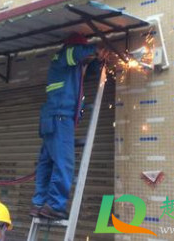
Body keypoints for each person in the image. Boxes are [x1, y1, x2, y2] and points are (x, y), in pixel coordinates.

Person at [31, 33, 109, 219]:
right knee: (64, 163)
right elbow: (75, 53)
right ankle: (56, 205)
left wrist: (98, 61)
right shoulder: (64, 55)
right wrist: (95, 48)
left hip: (52, 118)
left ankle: (39, 203)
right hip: (60, 117)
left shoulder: (72, 68)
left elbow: (91, 72)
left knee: (47, 163)